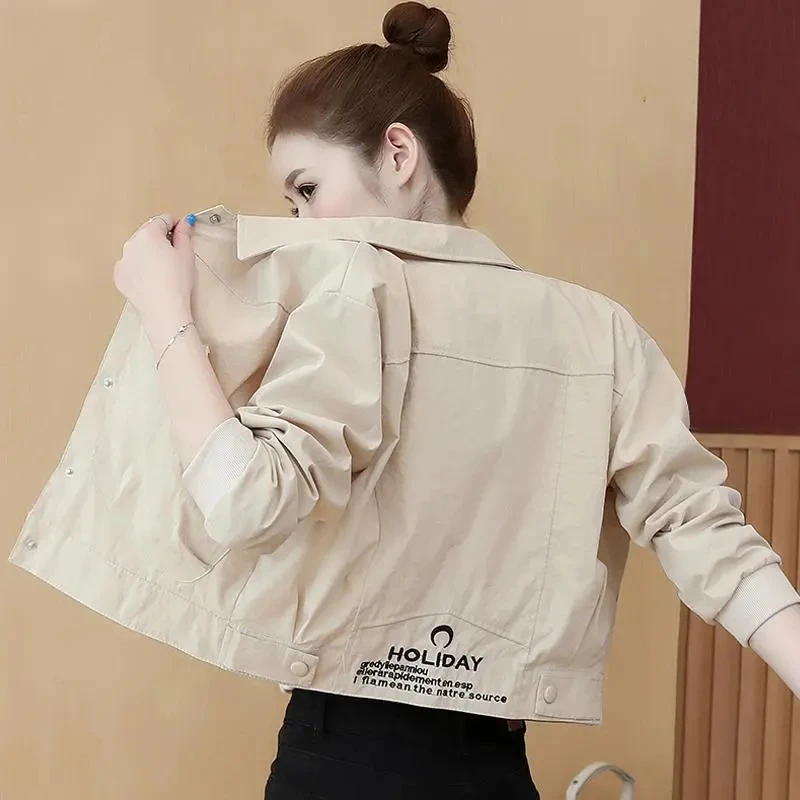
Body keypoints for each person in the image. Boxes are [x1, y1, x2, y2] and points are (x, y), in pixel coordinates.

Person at [108, 3, 800, 799]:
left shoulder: (349, 302)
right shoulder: (600, 333)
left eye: (307, 189)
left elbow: (242, 501)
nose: (298, 224)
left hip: (343, 757)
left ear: (398, 153)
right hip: (494, 766)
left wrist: (166, 313)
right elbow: (699, 528)